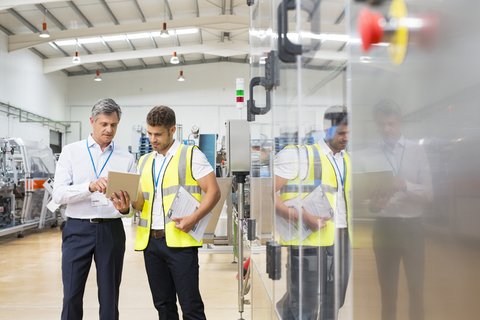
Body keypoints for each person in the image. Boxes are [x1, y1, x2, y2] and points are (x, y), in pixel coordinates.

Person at [120, 105, 221, 320]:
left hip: (180, 243)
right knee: (163, 305)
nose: (152, 139)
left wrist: (193, 218)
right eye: (149, 133)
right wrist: (125, 205)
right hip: (151, 244)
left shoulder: (190, 155)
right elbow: (141, 203)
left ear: (172, 130)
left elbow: (214, 192)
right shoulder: (145, 160)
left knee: (191, 306)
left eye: (158, 134)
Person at [53, 98, 136, 320]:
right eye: (104, 124)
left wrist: (126, 208)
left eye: (114, 125)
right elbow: (59, 194)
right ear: (92, 121)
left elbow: (133, 205)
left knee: (110, 296)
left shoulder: (126, 159)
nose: (109, 130)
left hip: (111, 231)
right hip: (77, 230)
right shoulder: (71, 152)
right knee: (71, 294)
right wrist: (89, 187)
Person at [274, 105, 351, 320]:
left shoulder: (348, 160)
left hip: (342, 242)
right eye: (341, 133)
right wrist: (300, 216)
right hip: (309, 244)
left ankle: (286, 309)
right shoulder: (300, 156)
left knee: (334, 303)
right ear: (327, 130)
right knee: (305, 306)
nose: (346, 138)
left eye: (349, 133)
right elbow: (265, 194)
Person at [359, 99, 432, 320]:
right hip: (384, 228)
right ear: (376, 124)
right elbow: (363, 199)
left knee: (416, 290)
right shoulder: (369, 154)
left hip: (413, 228)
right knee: (387, 292)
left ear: (399, 122)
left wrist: (406, 185)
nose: (386, 129)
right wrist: (372, 206)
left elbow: (429, 193)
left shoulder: (417, 151)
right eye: (381, 124)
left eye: (390, 123)